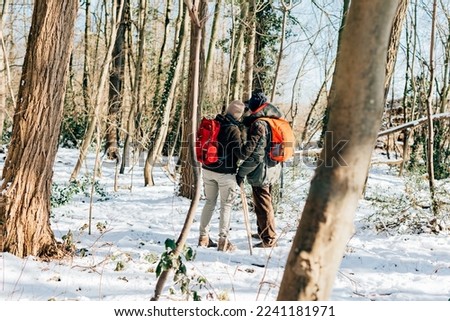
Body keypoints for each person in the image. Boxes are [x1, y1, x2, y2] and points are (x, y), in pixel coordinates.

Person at [198, 100, 260, 252]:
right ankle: (222, 241)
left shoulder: (214, 123)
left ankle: (203, 237)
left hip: (207, 169)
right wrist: (255, 138)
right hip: (225, 174)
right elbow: (243, 154)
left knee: (209, 202)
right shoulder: (233, 130)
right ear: (238, 116)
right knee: (226, 205)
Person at [236, 91, 282, 248]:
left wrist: (241, 173)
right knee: (262, 203)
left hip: (262, 170)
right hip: (272, 168)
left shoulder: (259, 124)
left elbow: (256, 155)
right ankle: (263, 231)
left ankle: (269, 239)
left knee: (263, 205)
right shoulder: (271, 120)